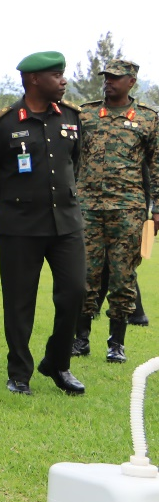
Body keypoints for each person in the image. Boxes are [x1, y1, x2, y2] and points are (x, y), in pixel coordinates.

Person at [0, 50, 86, 396]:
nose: (63, 81)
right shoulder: (4, 123)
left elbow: (75, 163)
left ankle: (57, 363)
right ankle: (19, 373)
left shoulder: (71, 116)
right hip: (20, 227)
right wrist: (15, 201)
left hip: (66, 223)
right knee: (19, 302)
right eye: (56, 75)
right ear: (34, 79)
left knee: (75, 292)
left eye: (63, 74)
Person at [72, 58, 158, 363]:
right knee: (85, 276)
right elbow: (69, 157)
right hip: (88, 208)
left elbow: (156, 165)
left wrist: (157, 207)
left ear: (131, 82)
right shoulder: (85, 114)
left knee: (123, 277)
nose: (109, 81)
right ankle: (80, 339)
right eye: (106, 77)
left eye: (116, 77)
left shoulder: (148, 118)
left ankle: (116, 344)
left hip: (128, 210)